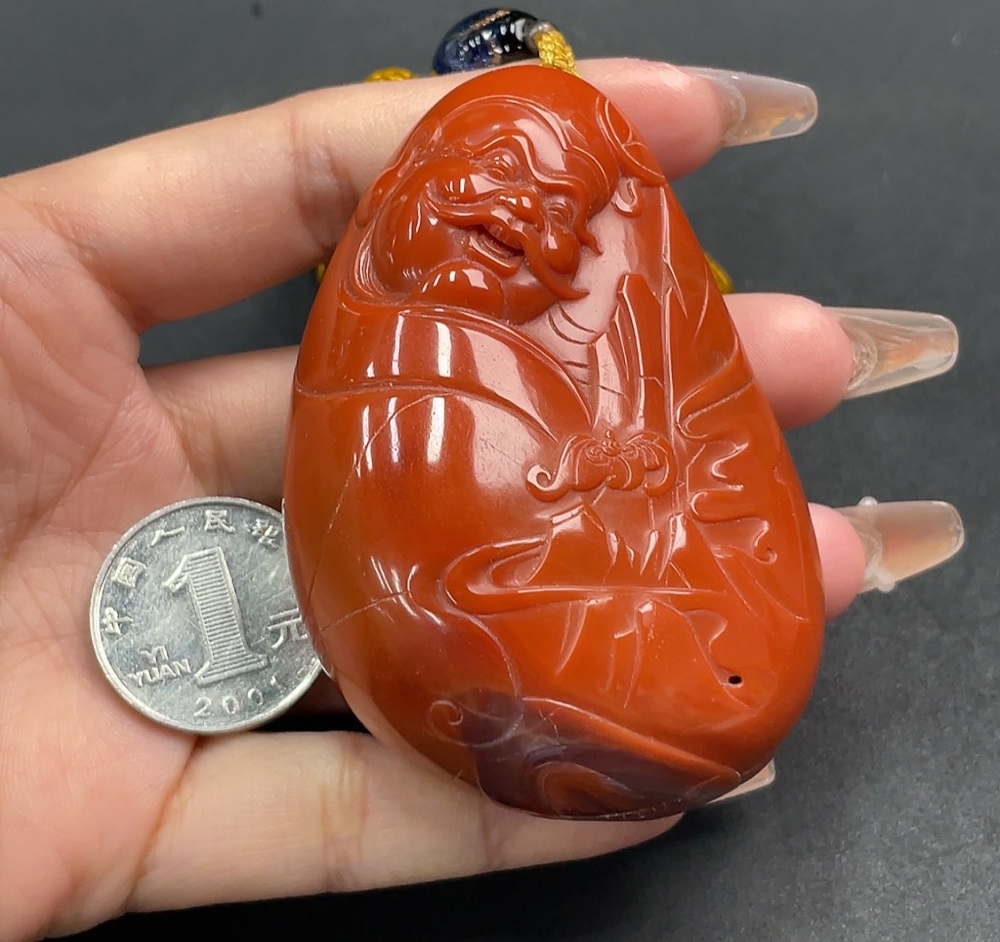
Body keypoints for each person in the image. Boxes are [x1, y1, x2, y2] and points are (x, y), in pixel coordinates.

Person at [0, 58, 962, 940]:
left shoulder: (605, 343)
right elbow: (452, 583)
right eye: (497, 169)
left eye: (563, 212)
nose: (521, 213)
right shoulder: (386, 371)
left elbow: (696, 458)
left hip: (627, 661)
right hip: (505, 667)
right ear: (408, 189)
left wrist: (641, 481)